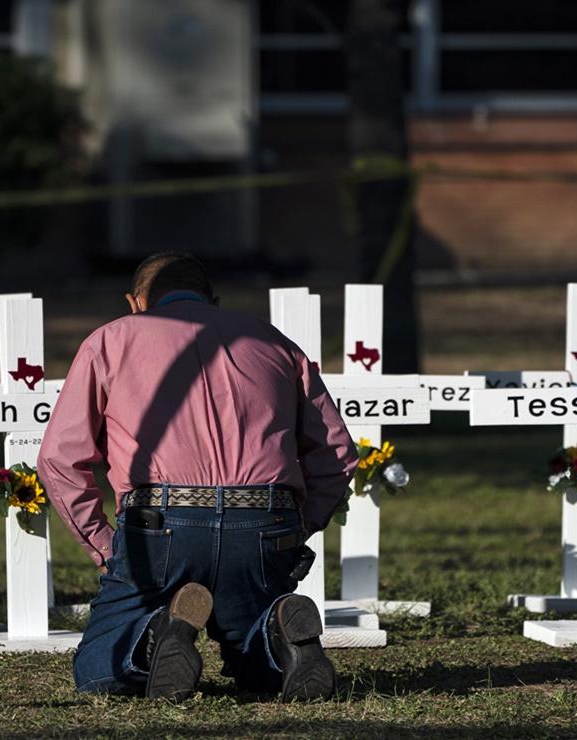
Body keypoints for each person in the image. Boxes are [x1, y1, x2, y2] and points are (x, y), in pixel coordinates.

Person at [37, 251, 358, 702]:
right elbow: (338, 452)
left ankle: (156, 635)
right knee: (254, 661)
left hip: (160, 524)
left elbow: (59, 458)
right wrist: (303, 523)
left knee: (100, 670)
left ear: (135, 302)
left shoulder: (110, 340)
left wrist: (104, 544)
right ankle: (278, 631)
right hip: (264, 520)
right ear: (214, 300)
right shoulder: (276, 343)